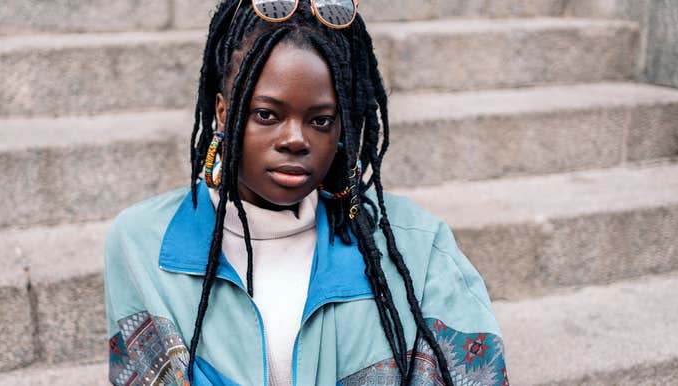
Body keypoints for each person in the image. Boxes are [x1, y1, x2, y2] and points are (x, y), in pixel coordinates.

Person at [104, 1, 508, 385]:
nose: (295, 140)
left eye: (321, 120)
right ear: (224, 113)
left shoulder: (418, 246)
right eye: (267, 114)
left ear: (343, 127)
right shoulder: (143, 243)